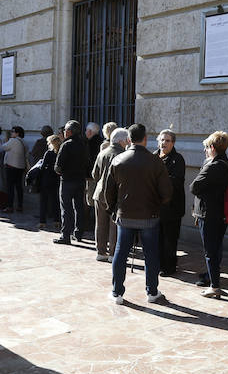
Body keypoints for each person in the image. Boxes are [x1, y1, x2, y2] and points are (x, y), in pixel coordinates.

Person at [103, 123, 172, 305]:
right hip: (149, 216)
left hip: (124, 215)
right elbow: (166, 193)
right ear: (145, 139)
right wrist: (156, 205)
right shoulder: (155, 161)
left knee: (121, 253)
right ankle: (152, 291)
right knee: (151, 254)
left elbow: (107, 191)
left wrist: (113, 209)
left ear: (128, 140)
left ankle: (117, 292)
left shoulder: (118, 160)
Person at [189, 131, 228, 298]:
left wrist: (206, 165)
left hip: (209, 214)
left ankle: (214, 285)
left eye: (207, 147)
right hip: (219, 213)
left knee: (210, 251)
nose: (205, 151)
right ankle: (213, 279)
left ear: (212, 148)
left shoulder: (213, 165)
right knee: (216, 248)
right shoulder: (226, 163)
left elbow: (194, 187)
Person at [91, 128, 128, 261]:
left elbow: (94, 174)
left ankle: (100, 252)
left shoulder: (103, 152)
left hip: (99, 192)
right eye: (126, 140)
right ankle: (113, 254)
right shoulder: (123, 154)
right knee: (114, 225)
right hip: (115, 194)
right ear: (121, 141)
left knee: (100, 224)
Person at [155, 129, 185, 276]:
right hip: (155, 206)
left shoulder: (177, 159)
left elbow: (176, 182)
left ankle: (169, 267)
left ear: (173, 143)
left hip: (172, 207)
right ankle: (158, 264)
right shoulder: (153, 157)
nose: (164, 143)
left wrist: (157, 181)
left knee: (170, 239)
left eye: (167, 141)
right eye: (162, 140)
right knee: (157, 238)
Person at [54, 120, 88, 245]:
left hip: (68, 180)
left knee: (66, 208)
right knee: (79, 207)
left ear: (68, 132)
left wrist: (60, 171)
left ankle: (65, 235)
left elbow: (58, 166)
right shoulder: (83, 143)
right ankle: (78, 233)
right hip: (80, 179)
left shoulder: (66, 144)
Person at [2, 126, 28, 213]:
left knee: (10, 187)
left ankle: (10, 206)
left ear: (17, 133)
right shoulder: (24, 141)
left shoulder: (13, 140)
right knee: (19, 187)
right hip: (20, 167)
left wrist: (6, 140)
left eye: (13, 131)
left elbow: (3, 147)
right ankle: (20, 205)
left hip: (11, 166)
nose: (11, 133)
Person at [38, 134, 62, 229]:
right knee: (55, 201)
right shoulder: (60, 152)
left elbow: (43, 166)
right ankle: (56, 221)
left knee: (43, 201)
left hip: (47, 179)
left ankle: (42, 221)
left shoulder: (48, 153)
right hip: (56, 179)